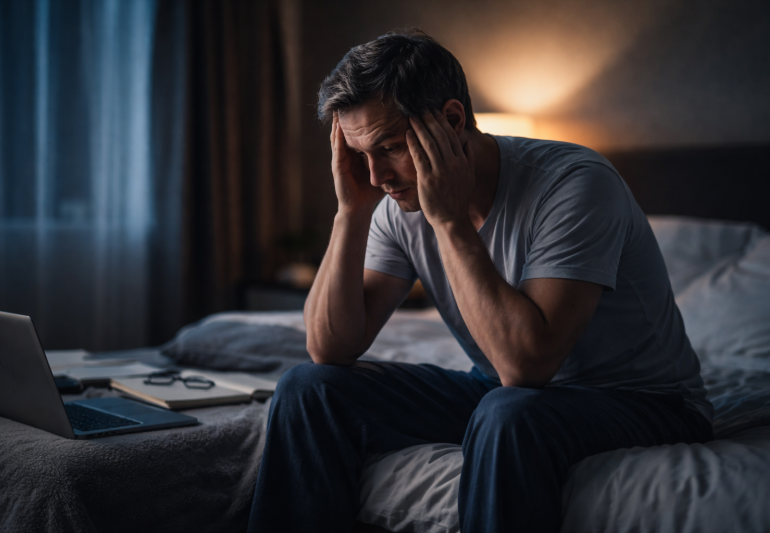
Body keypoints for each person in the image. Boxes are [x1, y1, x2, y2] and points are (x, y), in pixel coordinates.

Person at [247, 30, 713, 533]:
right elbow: (330, 348)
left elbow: (525, 366)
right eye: (360, 155)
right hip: (500, 391)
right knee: (308, 387)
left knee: (508, 412)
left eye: (389, 147)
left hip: (643, 401)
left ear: (451, 120)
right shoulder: (391, 203)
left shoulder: (576, 185)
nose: (377, 174)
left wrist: (448, 221)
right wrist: (350, 212)